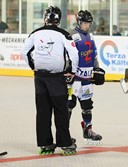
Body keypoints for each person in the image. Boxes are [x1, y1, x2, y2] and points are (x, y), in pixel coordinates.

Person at [21, 6, 78, 156]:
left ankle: (45, 144)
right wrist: (71, 71)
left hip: (40, 77)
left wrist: (34, 67)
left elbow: (24, 52)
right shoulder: (63, 34)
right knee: (61, 111)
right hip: (56, 78)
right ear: (58, 20)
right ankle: (65, 144)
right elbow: (74, 54)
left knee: (43, 112)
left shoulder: (35, 33)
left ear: (45, 18)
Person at [67, 10, 105, 145]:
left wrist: (97, 69)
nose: (87, 25)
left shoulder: (90, 36)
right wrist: (67, 71)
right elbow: (68, 55)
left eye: (89, 23)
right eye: (85, 23)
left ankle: (88, 130)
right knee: (69, 105)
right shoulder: (72, 36)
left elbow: (93, 54)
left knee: (87, 105)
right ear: (79, 22)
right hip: (74, 79)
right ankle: (64, 133)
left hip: (87, 79)